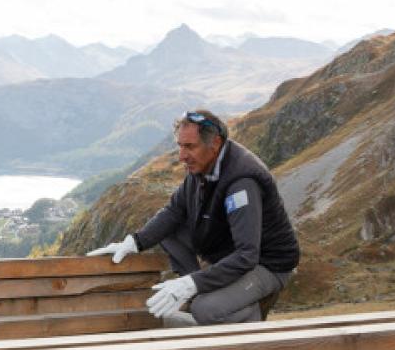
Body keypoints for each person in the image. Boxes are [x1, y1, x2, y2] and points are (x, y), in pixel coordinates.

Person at [89, 110, 299, 325]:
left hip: (267, 265)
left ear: (215, 143)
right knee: (167, 231)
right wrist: (135, 242)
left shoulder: (241, 184)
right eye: (180, 146)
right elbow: (174, 211)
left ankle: (248, 318)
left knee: (205, 309)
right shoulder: (201, 168)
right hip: (232, 253)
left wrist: (191, 283)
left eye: (189, 147)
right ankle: (206, 292)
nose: (181, 156)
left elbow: (247, 255)